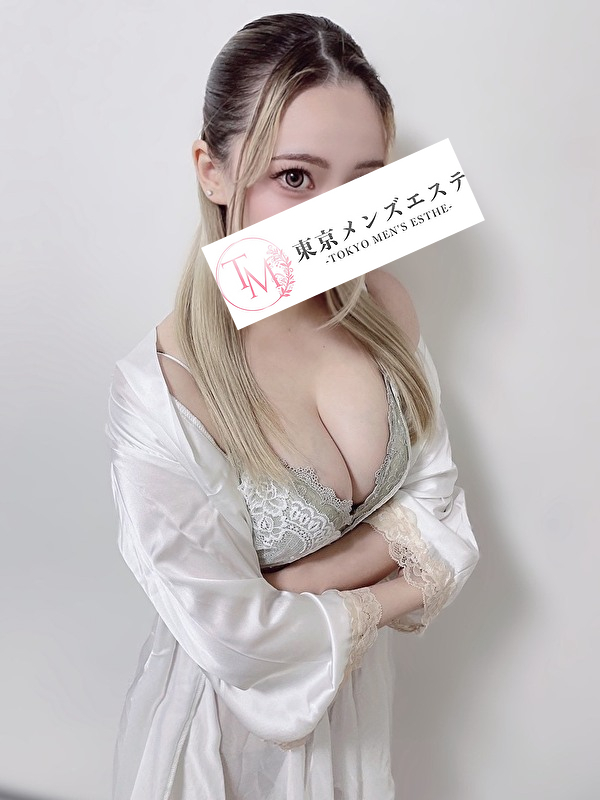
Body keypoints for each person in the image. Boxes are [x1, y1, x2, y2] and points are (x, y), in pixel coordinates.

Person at [104, 12, 480, 800]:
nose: (333, 220)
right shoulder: (162, 390)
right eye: (297, 178)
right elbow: (239, 644)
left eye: (363, 181)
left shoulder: (385, 307)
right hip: (222, 737)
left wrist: (299, 581)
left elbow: (442, 507)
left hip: (359, 719)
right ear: (212, 171)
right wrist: (395, 585)